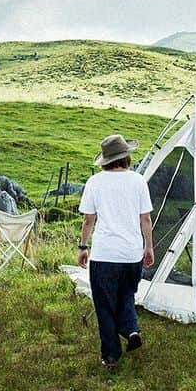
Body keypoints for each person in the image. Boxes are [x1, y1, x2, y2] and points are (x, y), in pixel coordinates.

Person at [77, 134, 154, 368]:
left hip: (104, 255)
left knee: (105, 305)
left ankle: (111, 356)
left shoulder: (95, 183)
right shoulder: (138, 181)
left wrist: (83, 246)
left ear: (106, 160)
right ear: (126, 157)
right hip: (131, 254)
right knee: (126, 296)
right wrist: (148, 246)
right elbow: (146, 219)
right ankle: (131, 331)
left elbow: (89, 220)